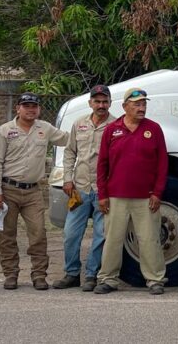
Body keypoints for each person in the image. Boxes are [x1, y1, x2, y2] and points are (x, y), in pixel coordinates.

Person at [0, 92, 69, 290]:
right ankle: (10, 274)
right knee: (7, 235)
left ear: (39, 109)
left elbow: (68, 140)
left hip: (33, 192)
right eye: (26, 106)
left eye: (34, 106)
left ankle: (39, 275)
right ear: (18, 108)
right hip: (8, 190)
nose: (30, 110)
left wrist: (87, 125)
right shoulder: (4, 131)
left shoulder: (45, 128)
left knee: (38, 233)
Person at [94, 88, 168, 295]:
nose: (141, 108)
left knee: (149, 240)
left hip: (146, 197)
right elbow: (102, 164)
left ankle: (155, 279)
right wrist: (102, 195)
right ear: (125, 106)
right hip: (116, 196)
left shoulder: (154, 129)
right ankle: (108, 279)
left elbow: (163, 163)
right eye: (137, 104)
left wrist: (157, 193)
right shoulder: (112, 129)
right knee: (113, 239)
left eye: (144, 104)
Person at [54, 84, 115, 292]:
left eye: (105, 101)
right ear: (90, 103)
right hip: (79, 189)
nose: (101, 105)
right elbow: (70, 152)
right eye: (97, 101)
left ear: (110, 103)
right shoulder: (79, 124)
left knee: (100, 235)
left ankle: (91, 275)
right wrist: (67, 179)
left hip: (103, 190)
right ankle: (71, 274)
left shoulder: (116, 126)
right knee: (71, 233)